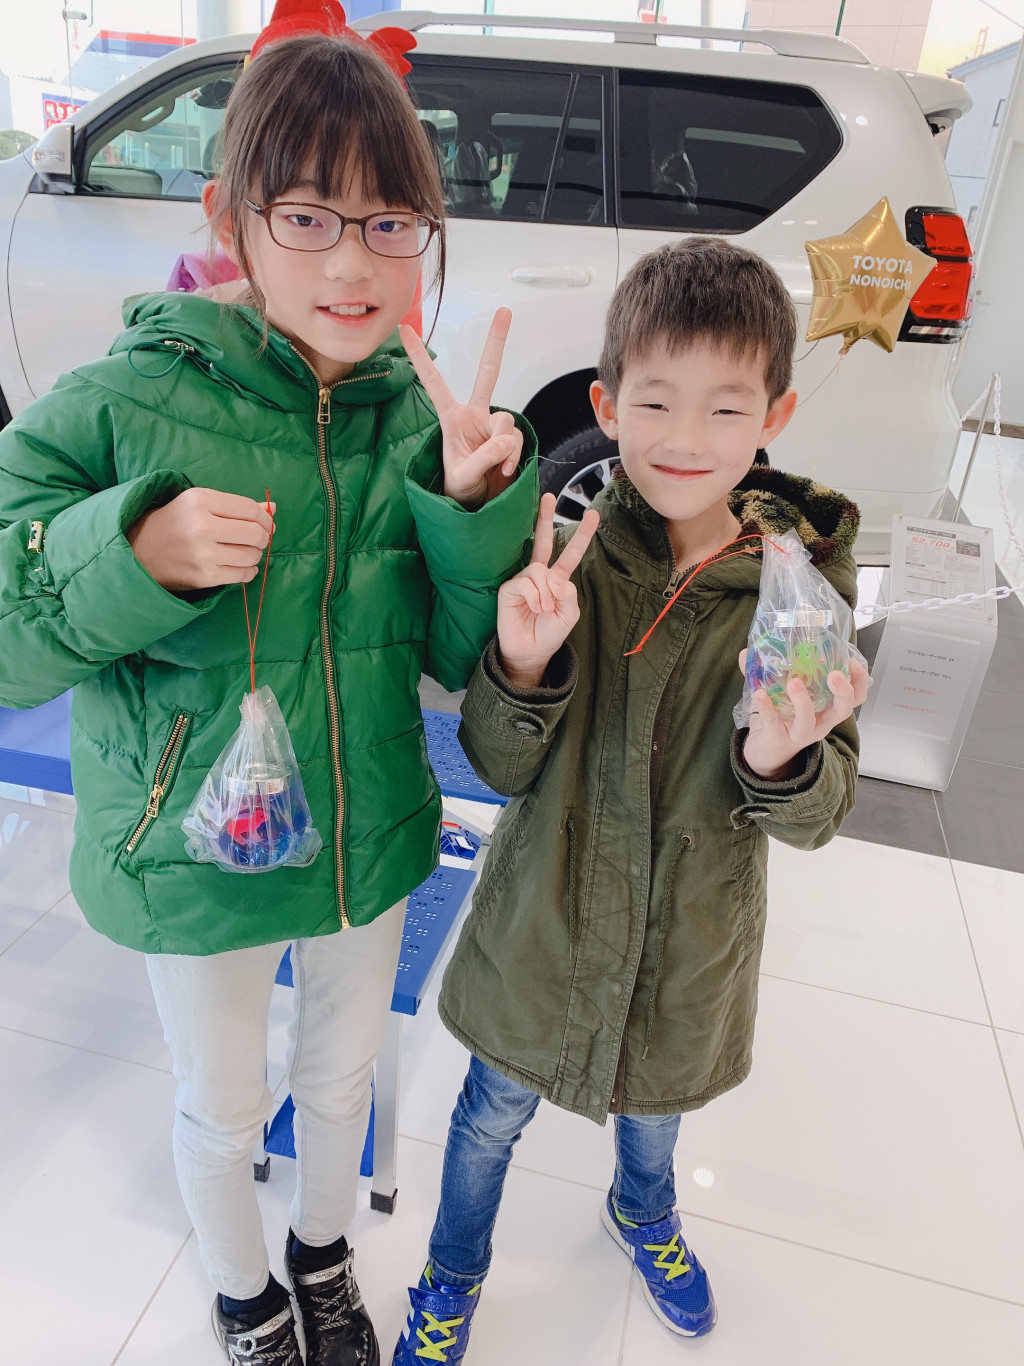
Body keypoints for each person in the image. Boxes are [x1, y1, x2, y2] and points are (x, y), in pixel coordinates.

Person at [0, 29, 539, 1366]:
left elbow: (452, 659)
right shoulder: (120, 401)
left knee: (340, 1083)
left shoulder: (418, 422)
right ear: (228, 218)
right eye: (306, 215)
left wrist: (471, 511)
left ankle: (323, 1254)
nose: (352, 262)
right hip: (195, 849)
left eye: (390, 221)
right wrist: (130, 553)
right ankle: (244, 1296)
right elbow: (13, 642)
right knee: (223, 1103)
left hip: (365, 833)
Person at [392, 236, 869, 1363]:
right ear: (607, 406)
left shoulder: (801, 587)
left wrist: (779, 758)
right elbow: (497, 767)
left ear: (774, 415)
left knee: (656, 1109)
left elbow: (819, 816)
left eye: (725, 408)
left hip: (688, 942)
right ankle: (452, 1271)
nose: (686, 439)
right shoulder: (563, 557)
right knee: (488, 1116)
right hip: (540, 928)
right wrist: (521, 666)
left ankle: (642, 1211)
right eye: (655, 402)